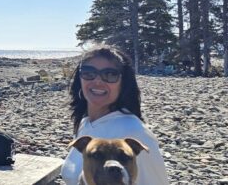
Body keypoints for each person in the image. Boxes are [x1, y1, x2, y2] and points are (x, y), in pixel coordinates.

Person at [60, 46, 169, 185]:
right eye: (88, 72)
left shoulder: (134, 131)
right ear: (79, 79)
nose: (98, 81)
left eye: (110, 74)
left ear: (124, 83)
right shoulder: (86, 123)